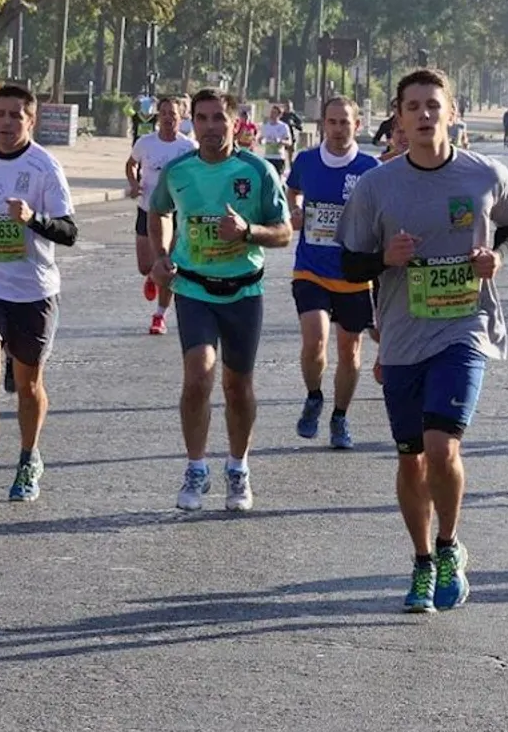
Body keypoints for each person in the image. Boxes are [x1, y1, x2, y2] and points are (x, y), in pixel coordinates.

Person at [339, 68, 508, 611]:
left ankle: (447, 546)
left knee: (443, 448)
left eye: (433, 105)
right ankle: (421, 560)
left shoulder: (483, 174)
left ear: (452, 110)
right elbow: (350, 263)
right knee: (411, 458)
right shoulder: (377, 186)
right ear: (396, 116)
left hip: (464, 327)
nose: (424, 115)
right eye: (412, 106)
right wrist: (383, 259)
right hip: (401, 337)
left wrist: (498, 258)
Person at [149, 89, 291, 512]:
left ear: (236, 124)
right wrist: (160, 257)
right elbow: (159, 212)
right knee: (198, 376)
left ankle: (237, 465)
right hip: (193, 288)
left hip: (244, 291)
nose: (211, 127)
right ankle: (195, 467)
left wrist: (249, 231)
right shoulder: (178, 171)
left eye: (219, 119)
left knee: (237, 385)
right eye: (203, 119)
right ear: (194, 123)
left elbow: (283, 232)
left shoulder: (257, 170)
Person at [0, 84, 77, 505]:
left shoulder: (45, 167)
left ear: (31, 120)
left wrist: (32, 218)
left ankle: (28, 457)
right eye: (0, 114)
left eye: (15, 116)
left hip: (33, 290)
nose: (6, 123)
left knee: (27, 385)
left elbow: (68, 232)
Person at [287, 96, 381, 450]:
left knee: (350, 350)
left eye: (345, 122)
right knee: (315, 342)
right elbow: (293, 189)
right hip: (310, 267)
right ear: (322, 124)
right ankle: (314, 396)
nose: (338, 129)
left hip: (354, 272)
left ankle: (340, 417)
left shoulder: (370, 168)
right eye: (332, 121)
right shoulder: (307, 161)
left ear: (357, 125)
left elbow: (382, 211)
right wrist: (295, 209)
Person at [127, 95, 196, 336]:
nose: (168, 118)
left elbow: (198, 174)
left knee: (169, 266)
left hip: (175, 213)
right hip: (147, 209)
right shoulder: (145, 143)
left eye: (173, 114)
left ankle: (159, 315)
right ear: (159, 115)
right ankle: (152, 276)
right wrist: (134, 183)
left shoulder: (188, 147)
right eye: (164, 113)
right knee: (146, 265)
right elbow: (131, 163)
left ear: (181, 118)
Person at [259, 101, 294, 179]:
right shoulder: (266, 126)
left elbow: (289, 142)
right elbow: (261, 139)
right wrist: (261, 140)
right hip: (268, 157)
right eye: (271, 112)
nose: (272, 115)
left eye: (274, 113)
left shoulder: (283, 127)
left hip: (279, 157)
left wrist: (280, 141)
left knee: (278, 179)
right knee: (268, 178)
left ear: (280, 115)